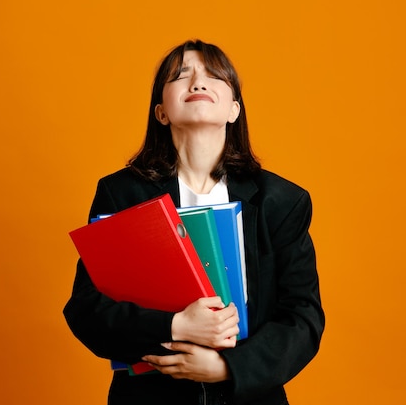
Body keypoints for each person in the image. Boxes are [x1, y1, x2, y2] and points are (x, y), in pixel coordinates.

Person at [63, 39, 325, 405]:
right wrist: (176, 326)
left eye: (213, 76)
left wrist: (225, 368)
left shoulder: (281, 202)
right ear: (161, 112)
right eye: (181, 76)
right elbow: (86, 309)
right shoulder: (121, 193)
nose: (197, 83)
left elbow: (303, 318)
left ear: (235, 109)